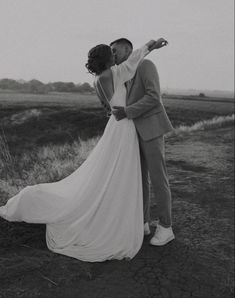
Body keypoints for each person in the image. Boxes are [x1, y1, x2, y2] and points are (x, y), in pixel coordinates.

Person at [0, 38, 168, 262]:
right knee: (127, 174)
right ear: (107, 59)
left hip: (123, 125)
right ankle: (137, 221)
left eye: (116, 51)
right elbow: (132, 63)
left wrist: (121, 110)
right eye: (112, 53)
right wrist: (150, 45)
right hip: (124, 127)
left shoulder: (100, 79)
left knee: (133, 174)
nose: (115, 55)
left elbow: (129, 98)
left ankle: (159, 225)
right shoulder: (114, 73)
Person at [110, 38, 174, 246]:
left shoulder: (146, 65)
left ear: (128, 50)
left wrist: (127, 111)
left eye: (115, 51)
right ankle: (143, 222)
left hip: (152, 129)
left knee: (158, 179)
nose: (112, 55)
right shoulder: (123, 72)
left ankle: (166, 227)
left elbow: (154, 97)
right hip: (132, 133)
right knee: (140, 180)